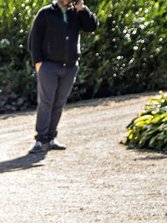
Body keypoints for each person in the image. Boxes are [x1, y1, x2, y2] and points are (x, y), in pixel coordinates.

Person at [28, 0, 98, 153]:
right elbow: (34, 40)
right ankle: (40, 140)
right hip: (48, 66)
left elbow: (91, 26)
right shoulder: (45, 12)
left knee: (59, 103)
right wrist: (38, 63)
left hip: (70, 67)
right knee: (46, 102)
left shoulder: (76, 12)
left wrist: (82, 8)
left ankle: (52, 138)